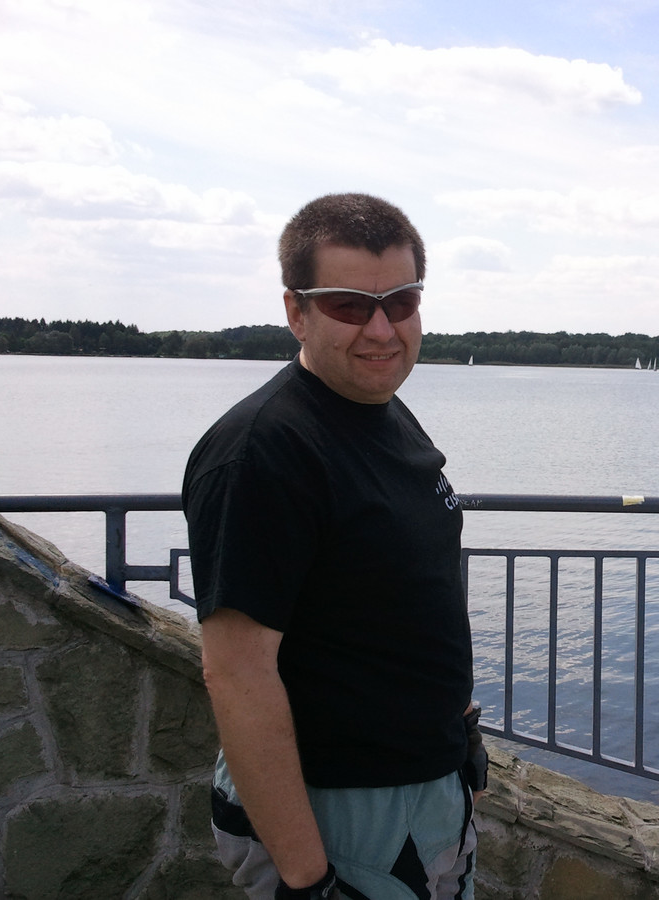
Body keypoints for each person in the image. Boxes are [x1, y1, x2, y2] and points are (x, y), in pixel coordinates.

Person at [183, 193, 486, 900]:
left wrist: (455, 734)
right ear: (297, 312)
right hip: (344, 811)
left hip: (426, 791)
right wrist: (306, 878)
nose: (382, 329)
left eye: (401, 302)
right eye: (350, 306)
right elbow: (236, 673)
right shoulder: (265, 452)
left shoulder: (380, 408)